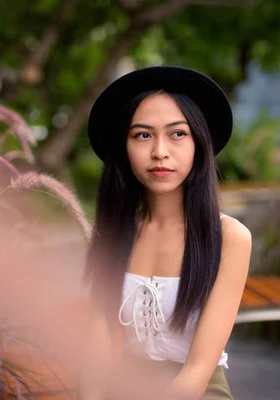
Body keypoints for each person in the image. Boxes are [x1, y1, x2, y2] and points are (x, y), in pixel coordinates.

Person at [78, 66, 252, 399]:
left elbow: (199, 368)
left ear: (199, 143)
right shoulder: (113, 232)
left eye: (177, 134)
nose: (160, 151)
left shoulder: (229, 238)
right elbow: (98, 350)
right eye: (142, 135)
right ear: (124, 148)